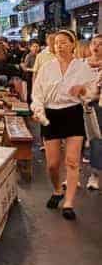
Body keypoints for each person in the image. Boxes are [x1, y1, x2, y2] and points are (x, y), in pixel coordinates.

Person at [32, 29, 99, 220]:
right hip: (51, 114)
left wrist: (84, 89)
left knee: (72, 161)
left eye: (63, 42)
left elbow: (93, 91)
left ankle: (69, 202)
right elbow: (37, 94)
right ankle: (56, 189)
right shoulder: (47, 68)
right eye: (56, 43)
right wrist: (38, 110)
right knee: (53, 164)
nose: (59, 46)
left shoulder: (81, 67)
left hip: (73, 113)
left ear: (73, 45)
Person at [85, 34, 102, 192]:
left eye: (100, 44)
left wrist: (94, 96)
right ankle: (71, 175)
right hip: (79, 106)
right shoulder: (82, 64)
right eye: (94, 43)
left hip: (97, 107)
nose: (96, 47)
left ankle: (95, 174)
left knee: (97, 140)